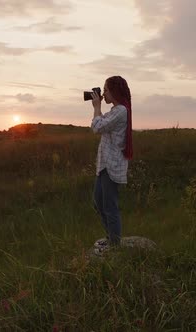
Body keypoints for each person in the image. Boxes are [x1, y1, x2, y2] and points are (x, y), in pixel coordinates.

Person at [89, 75, 133, 254]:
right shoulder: (115, 110)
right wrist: (98, 109)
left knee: (109, 205)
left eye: (105, 90)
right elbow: (100, 124)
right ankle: (111, 238)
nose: (104, 93)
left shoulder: (121, 110)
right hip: (104, 164)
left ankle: (115, 244)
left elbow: (97, 127)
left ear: (114, 91)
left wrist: (97, 107)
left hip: (112, 165)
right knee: (98, 202)